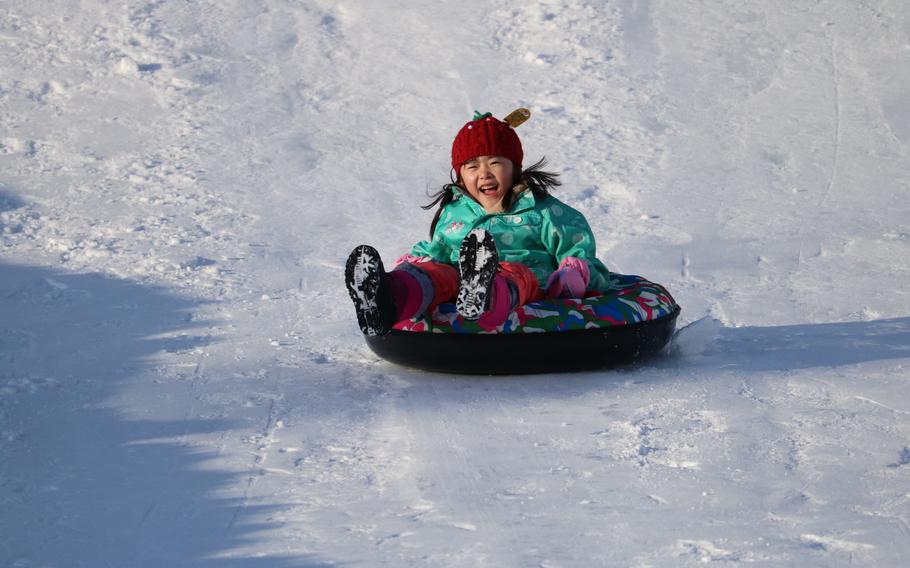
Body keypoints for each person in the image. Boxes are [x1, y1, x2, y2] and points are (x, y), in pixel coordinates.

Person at [344, 109, 611, 336]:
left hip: (525, 280)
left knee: (514, 275)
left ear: (515, 167)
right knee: (439, 275)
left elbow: (578, 251)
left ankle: (487, 296)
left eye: (495, 163)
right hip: (458, 278)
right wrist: (417, 263)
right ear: (460, 176)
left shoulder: (544, 211)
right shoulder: (454, 212)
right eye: (472, 166)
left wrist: (574, 274)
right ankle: (389, 299)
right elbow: (440, 250)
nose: (484, 173)